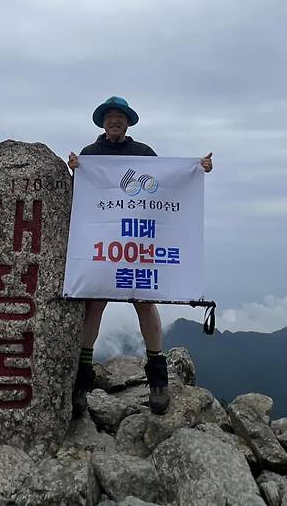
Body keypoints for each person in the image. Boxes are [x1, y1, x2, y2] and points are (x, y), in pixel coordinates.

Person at [67, 95, 213, 417]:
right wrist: (75, 169)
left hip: (138, 244)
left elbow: (168, 184)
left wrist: (196, 170)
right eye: (110, 117)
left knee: (145, 302)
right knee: (95, 303)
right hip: (107, 244)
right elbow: (80, 194)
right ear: (103, 122)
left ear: (128, 122)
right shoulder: (90, 156)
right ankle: (82, 381)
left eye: (120, 117)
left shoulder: (143, 154)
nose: (114, 121)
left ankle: (157, 381)